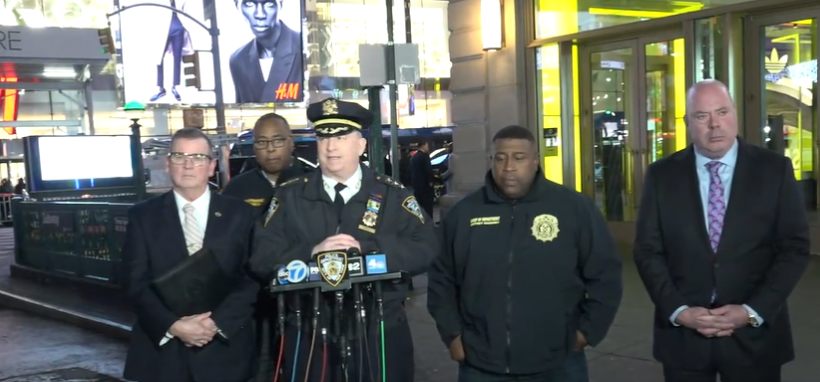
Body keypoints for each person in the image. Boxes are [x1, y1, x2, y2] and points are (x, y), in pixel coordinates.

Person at [633, 79, 810, 382]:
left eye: (722, 112)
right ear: (688, 122)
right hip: (684, 338)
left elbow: (793, 248)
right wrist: (678, 310)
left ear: (735, 115)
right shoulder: (662, 175)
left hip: (756, 338)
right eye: (702, 116)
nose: (714, 124)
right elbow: (648, 250)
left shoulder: (774, 170)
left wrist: (752, 310)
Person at [250, 97, 437, 382]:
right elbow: (261, 257)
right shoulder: (289, 196)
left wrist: (369, 250)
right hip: (310, 331)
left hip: (380, 329)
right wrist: (310, 253)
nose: (330, 146)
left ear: (361, 145)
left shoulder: (392, 195)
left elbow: (427, 247)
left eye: (340, 136)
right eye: (323, 137)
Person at [427, 125, 623, 382]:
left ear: (535, 160)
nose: (508, 167)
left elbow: (605, 273)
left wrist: (586, 332)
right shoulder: (464, 214)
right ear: (492, 161)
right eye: (500, 158)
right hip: (481, 363)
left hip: (558, 362)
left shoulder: (573, 208)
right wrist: (452, 334)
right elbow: (441, 280)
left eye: (519, 158)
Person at [122, 128, 259, 382]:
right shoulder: (142, 216)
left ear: (211, 166)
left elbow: (252, 278)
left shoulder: (241, 214)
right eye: (179, 156)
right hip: (162, 357)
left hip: (227, 353)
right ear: (167, 164)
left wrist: (215, 324)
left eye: (197, 157)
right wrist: (174, 326)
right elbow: (134, 282)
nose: (188, 165)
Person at [222, 113, 308, 216]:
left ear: (291, 143)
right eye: (262, 142)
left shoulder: (313, 182)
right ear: (254, 147)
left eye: (277, 140)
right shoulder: (236, 189)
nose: (270, 149)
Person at [229, 0, 304, 103]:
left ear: (280, 5)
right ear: (237, 6)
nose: (260, 15)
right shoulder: (238, 60)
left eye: (269, 4)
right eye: (249, 4)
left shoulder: (305, 48)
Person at [409, 139, 435, 218]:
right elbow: (428, 171)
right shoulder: (425, 156)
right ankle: (429, 222)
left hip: (416, 186)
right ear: (423, 145)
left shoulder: (414, 158)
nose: (428, 147)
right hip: (425, 186)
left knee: (419, 206)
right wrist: (431, 181)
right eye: (427, 145)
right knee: (428, 206)